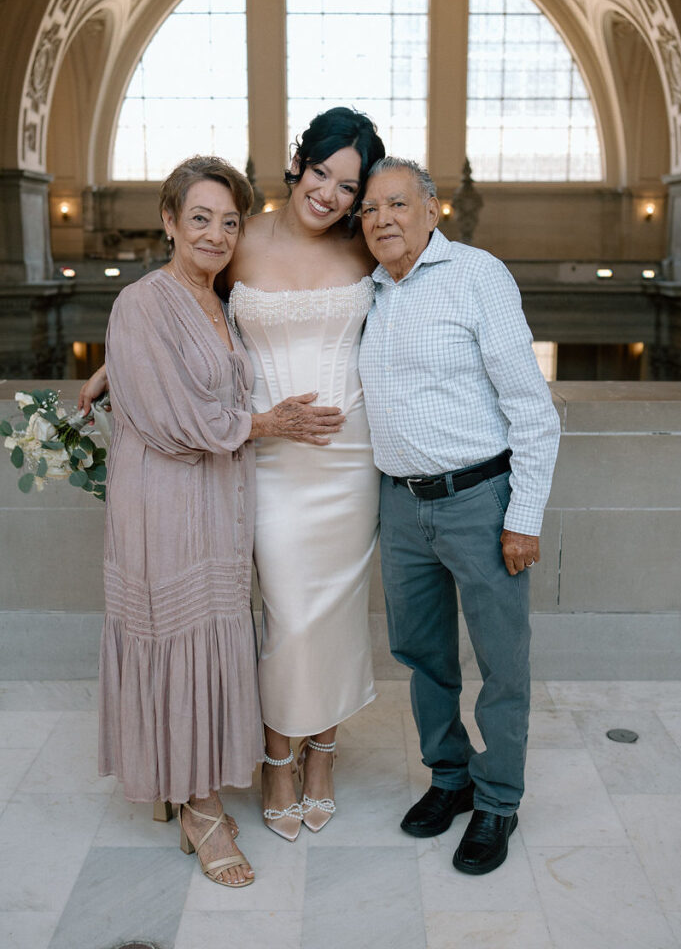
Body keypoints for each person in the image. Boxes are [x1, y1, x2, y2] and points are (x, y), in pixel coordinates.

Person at [95, 155, 344, 889]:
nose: (215, 233)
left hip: (218, 498)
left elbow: (184, 372)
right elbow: (174, 418)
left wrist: (109, 371)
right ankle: (199, 810)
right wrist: (270, 422)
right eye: (199, 218)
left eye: (229, 221)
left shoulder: (217, 297)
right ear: (168, 222)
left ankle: (197, 786)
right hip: (166, 500)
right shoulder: (143, 301)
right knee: (178, 639)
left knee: (210, 636)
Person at [357, 156, 560, 876]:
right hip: (401, 505)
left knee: (501, 664)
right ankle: (450, 778)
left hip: (481, 501)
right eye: (370, 209)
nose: (382, 219)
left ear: (432, 209)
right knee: (423, 657)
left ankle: (499, 800)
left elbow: (532, 410)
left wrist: (523, 517)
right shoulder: (368, 291)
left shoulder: (477, 275)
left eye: (397, 204)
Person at [227, 106, 386, 840]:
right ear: (298, 163)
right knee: (288, 616)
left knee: (336, 613)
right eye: (321, 172)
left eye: (346, 185)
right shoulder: (241, 238)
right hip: (268, 458)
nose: (328, 193)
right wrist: (113, 364)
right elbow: (181, 309)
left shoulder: (366, 250)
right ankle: (274, 759)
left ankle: (320, 755)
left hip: (349, 459)